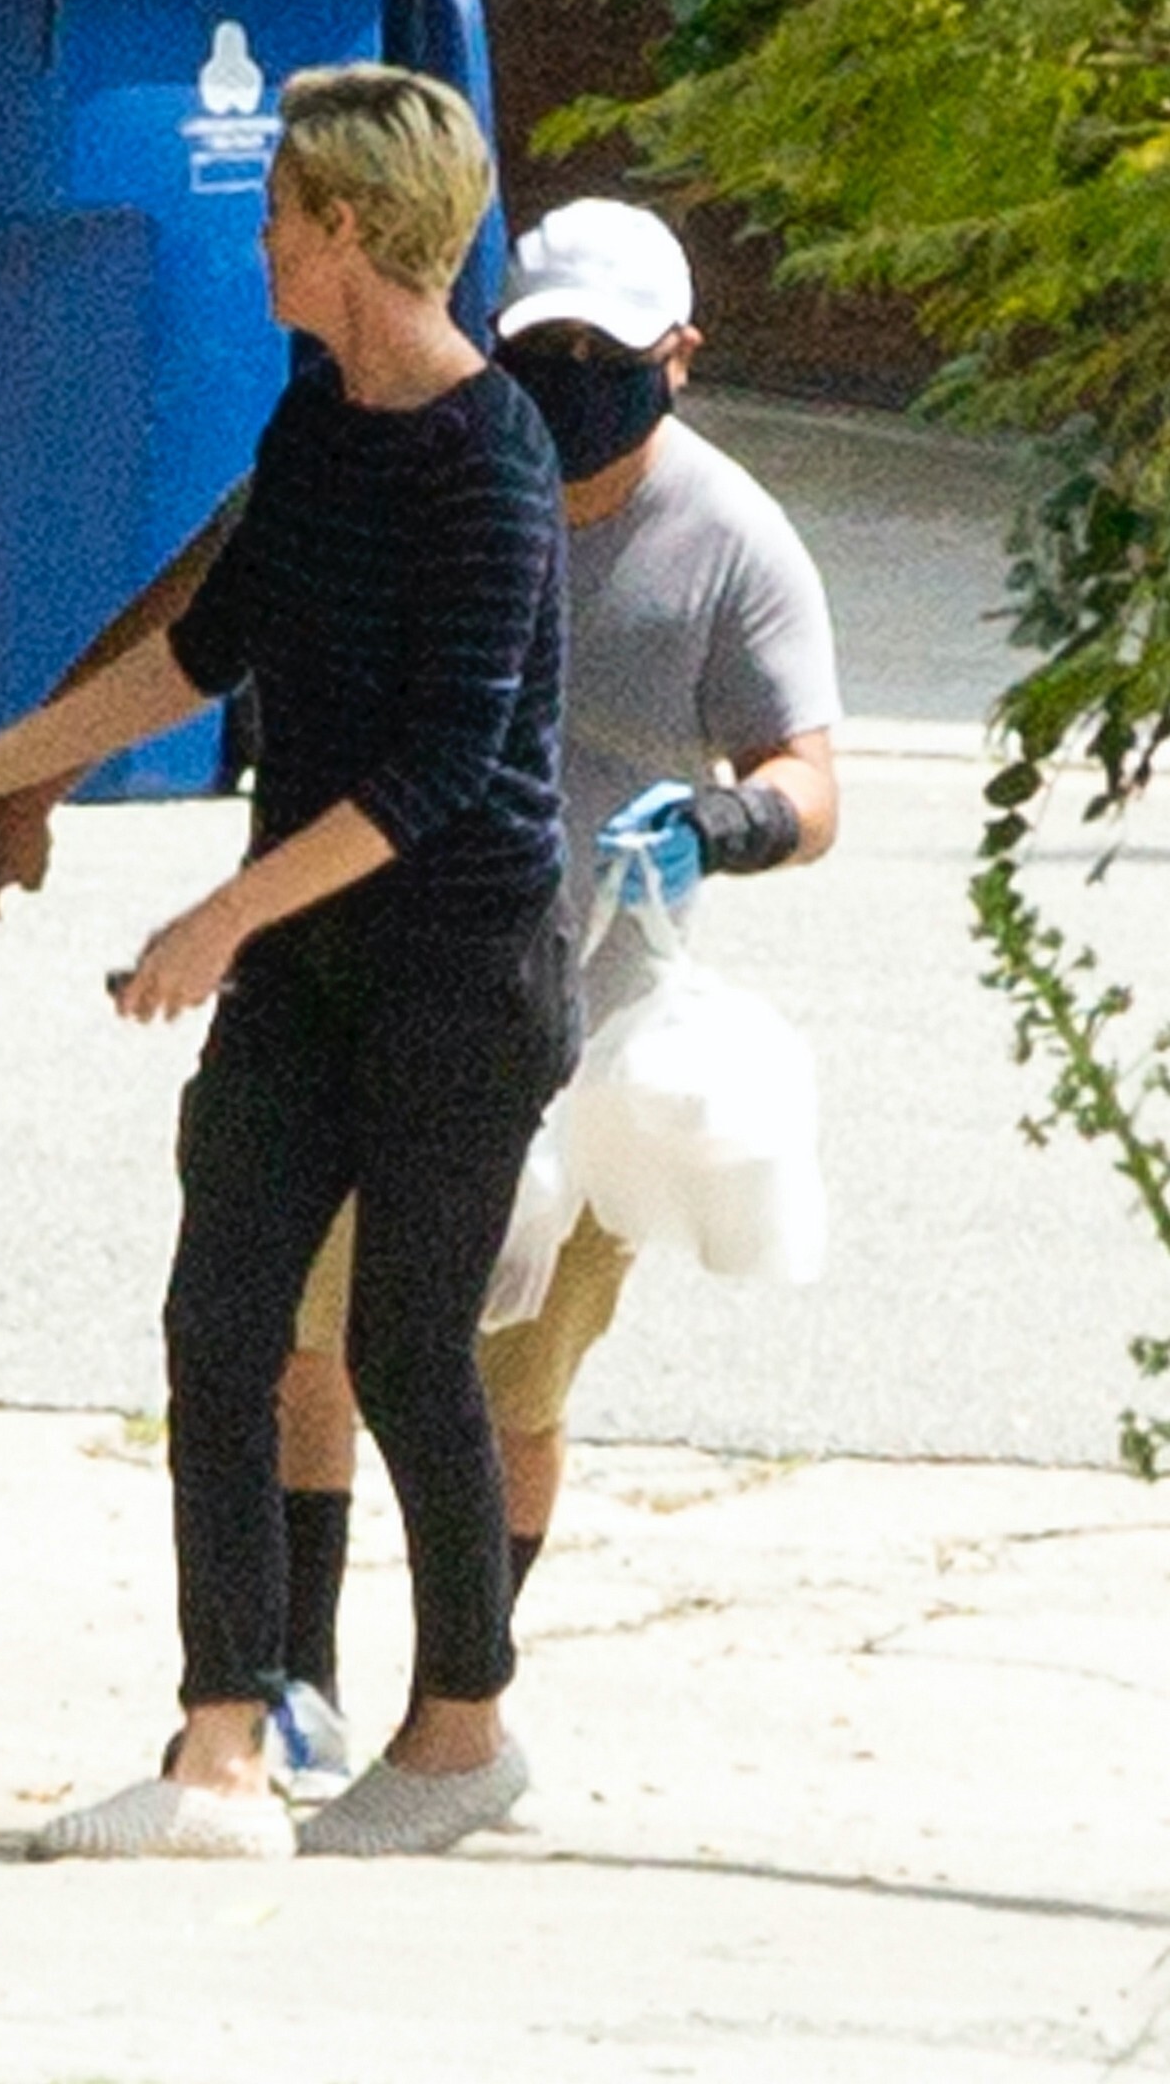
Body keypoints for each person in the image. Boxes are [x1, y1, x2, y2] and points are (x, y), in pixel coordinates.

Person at [0, 65, 579, 1860]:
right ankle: (220, 1750)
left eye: (275, 215)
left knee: (407, 1349)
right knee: (220, 1324)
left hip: (461, 974)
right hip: (307, 969)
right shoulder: (316, 417)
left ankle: (462, 1734)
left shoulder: (493, 456)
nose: (256, 243)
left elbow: (442, 769)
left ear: (350, 227)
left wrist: (219, 916)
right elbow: (208, 646)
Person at [269, 198, 841, 1781]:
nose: (572, 377)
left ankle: (457, 1695)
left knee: (516, 1376)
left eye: (606, 351)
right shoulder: (444, 475)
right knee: (316, 1331)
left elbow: (810, 777)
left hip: (595, 1023)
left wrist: (727, 821)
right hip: (400, 976)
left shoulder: (732, 542)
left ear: (680, 358)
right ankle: (298, 1670)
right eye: (547, 348)